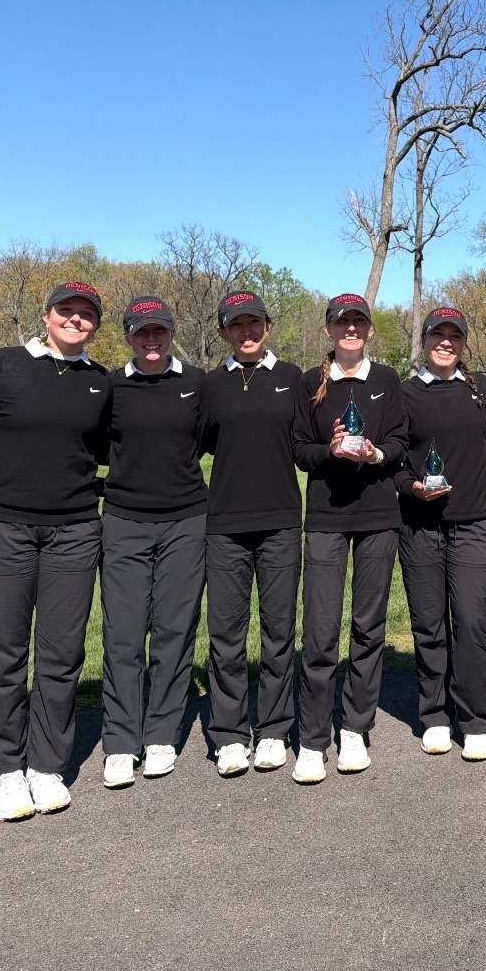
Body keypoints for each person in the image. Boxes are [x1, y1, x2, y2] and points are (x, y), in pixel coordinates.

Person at [0, 283, 109, 821]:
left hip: (75, 530)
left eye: (86, 315)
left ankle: (46, 764)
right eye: (66, 311)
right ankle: (6, 769)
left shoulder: (101, 382)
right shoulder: (3, 365)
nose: (75, 320)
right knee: (4, 651)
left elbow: (100, 449)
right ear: (46, 315)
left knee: (61, 653)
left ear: (95, 325)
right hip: (5, 527)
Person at [290, 293, 407, 784]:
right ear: (329, 331)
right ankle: (314, 739)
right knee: (319, 630)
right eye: (343, 323)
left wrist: (376, 455)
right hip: (326, 516)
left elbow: (402, 440)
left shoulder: (385, 380)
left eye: (359, 322)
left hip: (379, 515)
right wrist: (331, 452)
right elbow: (299, 449)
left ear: (370, 331)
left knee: (368, 626)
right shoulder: (309, 382)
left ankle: (356, 728)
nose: (351, 330)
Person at [99, 297, 208, 789]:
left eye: (159, 331)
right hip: (123, 521)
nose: (151, 340)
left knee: (173, 631)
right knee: (123, 635)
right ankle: (121, 742)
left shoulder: (195, 383)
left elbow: (208, 438)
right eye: (141, 332)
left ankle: (161, 734)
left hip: (186, 521)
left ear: (170, 333)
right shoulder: (110, 386)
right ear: (127, 335)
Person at [199, 291, 303, 777]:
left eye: (254, 323)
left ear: (268, 326)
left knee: (279, 632)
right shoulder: (208, 385)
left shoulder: (293, 379)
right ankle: (230, 734)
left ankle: (276, 729)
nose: (246, 332)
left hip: (281, 521)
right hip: (224, 525)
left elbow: (307, 446)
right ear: (222, 332)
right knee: (226, 635)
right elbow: (191, 444)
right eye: (235, 325)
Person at [395, 307, 486, 762]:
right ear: (425, 340)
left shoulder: (484, 391)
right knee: (429, 623)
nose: (445, 343)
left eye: (455, 335)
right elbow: (393, 460)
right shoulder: (403, 395)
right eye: (438, 335)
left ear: (463, 343)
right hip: (420, 524)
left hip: (472, 522)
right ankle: (435, 715)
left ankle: (475, 720)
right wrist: (411, 488)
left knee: (472, 623)